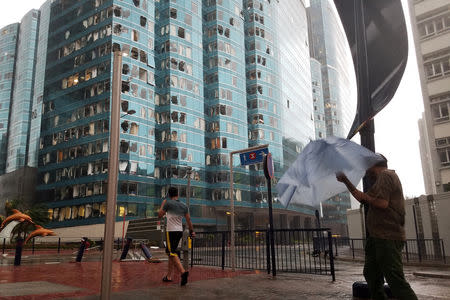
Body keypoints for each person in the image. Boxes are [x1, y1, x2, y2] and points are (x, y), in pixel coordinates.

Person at [336, 154, 417, 300]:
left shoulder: (386, 175)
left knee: (395, 279)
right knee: (371, 274)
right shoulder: (380, 180)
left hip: (388, 237)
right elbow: (362, 197)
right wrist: (345, 180)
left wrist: (367, 197)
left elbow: (382, 203)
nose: (365, 169)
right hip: (377, 237)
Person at [158, 186, 195, 286]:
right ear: (177, 194)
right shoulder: (184, 205)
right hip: (179, 231)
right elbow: (189, 220)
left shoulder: (168, 203)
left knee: (171, 252)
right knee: (172, 252)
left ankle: (183, 273)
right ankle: (169, 276)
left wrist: (162, 205)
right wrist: (192, 231)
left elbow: (160, 215)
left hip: (170, 231)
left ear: (169, 194)